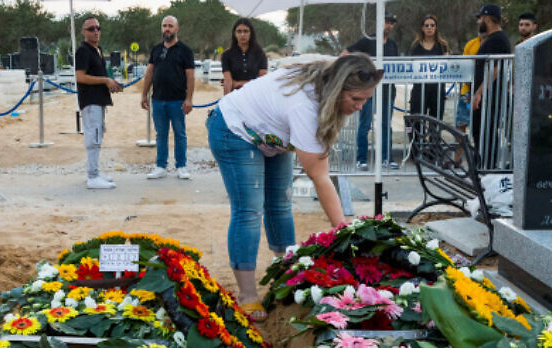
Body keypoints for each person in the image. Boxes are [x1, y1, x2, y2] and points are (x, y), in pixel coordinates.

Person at [207, 54, 381, 321]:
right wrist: (345, 233)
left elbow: (348, 57)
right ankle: (248, 295)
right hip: (235, 127)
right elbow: (319, 177)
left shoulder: (332, 71)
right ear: (336, 90)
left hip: (273, 134)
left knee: (280, 204)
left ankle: (287, 277)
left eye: (366, 99)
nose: (360, 106)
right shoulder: (305, 106)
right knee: (249, 210)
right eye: (356, 99)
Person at [141, 16, 195, 180]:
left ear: (177, 29)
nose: (167, 29)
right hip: (158, 100)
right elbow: (149, 73)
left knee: (180, 134)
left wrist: (189, 99)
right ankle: (160, 166)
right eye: (164, 26)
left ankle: (181, 166)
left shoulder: (185, 51)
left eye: (170, 26)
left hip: (178, 101)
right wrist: (144, 94)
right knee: (161, 134)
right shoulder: (156, 50)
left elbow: (191, 77)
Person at [343, 12, 399, 170]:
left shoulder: (392, 44)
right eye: (386, 21)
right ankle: (362, 158)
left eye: (391, 22)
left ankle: (386, 158)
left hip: (388, 91)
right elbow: (346, 54)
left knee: (386, 125)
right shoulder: (368, 41)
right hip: (367, 91)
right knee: (365, 125)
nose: (389, 25)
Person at [75, 17, 122, 190]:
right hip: (90, 100)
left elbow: (100, 75)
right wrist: (104, 80)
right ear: (84, 32)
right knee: (93, 136)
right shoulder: (83, 51)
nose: (95, 31)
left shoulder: (98, 50)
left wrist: (110, 83)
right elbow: (80, 76)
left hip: (99, 99)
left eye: (98, 28)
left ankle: (94, 171)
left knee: (98, 134)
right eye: (91, 28)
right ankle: (92, 176)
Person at [471, 4, 510, 162]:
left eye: (480, 18)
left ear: (487, 19)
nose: (478, 22)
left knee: (485, 132)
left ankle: (488, 167)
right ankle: (483, 165)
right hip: (486, 95)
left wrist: (479, 93)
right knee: (480, 132)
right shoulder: (491, 39)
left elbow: (495, 70)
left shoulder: (498, 40)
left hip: (489, 97)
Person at [408, 15, 450, 122]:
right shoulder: (415, 46)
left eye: (432, 25)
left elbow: (446, 66)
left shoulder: (442, 45)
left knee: (436, 122)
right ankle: (417, 140)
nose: (429, 28)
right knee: (416, 121)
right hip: (419, 89)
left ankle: (434, 140)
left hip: (437, 90)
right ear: (422, 28)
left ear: (436, 27)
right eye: (426, 25)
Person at [456, 18, 488, 135]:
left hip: (486, 91)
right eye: (478, 21)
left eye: (482, 20)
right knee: (461, 123)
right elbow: (464, 67)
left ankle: (479, 152)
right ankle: (459, 153)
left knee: (481, 125)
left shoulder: (494, 42)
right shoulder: (471, 44)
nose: (479, 23)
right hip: (468, 92)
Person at [221, 17, 268, 95]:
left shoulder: (260, 54)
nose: (242, 34)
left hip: (254, 96)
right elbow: (228, 82)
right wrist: (225, 101)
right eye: (239, 31)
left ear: (251, 33)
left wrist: (238, 83)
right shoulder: (226, 55)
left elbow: (262, 82)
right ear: (234, 34)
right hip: (235, 97)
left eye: (245, 31)